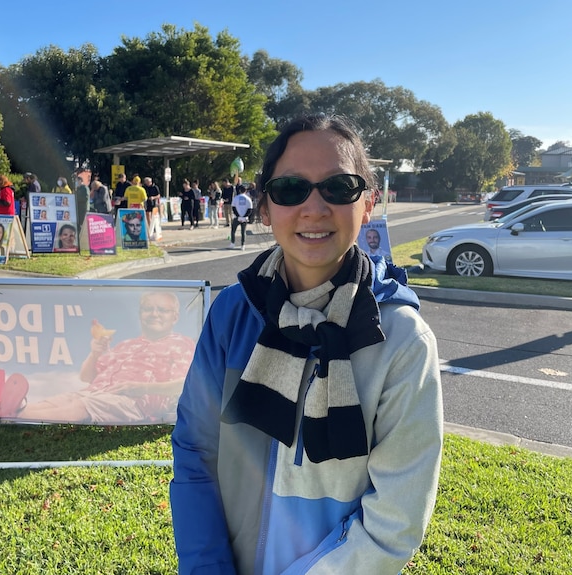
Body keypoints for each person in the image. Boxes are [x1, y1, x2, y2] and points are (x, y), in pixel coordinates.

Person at [170, 113, 443, 575]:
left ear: (369, 202)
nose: (314, 208)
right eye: (291, 189)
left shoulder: (402, 341)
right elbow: (196, 453)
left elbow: (394, 522)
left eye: (339, 188)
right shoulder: (232, 314)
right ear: (265, 207)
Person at [12, 291, 196, 424]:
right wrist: (95, 353)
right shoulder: (126, 344)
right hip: (96, 391)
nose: (154, 314)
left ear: (175, 317)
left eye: (162, 310)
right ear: (140, 314)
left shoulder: (181, 344)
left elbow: (185, 384)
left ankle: (15, 417)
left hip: (135, 402)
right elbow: (86, 377)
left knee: (81, 406)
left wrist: (141, 388)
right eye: (148, 309)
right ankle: (12, 412)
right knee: (59, 400)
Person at [229, 183, 253, 250]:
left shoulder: (236, 198)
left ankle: (232, 243)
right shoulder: (248, 199)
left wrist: (238, 216)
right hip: (245, 218)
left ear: (239, 190)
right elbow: (250, 209)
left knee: (233, 230)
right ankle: (243, 245)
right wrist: (244, 216)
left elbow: (233, 208)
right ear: (245, 191)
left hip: (237, 217)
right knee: (243, 232)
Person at [143, 176, 162, 241]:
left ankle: (155, 229)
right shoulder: (144, 187)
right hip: (147, 203)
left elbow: (159, 195)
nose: (148, 183)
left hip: (154, 203)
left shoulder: (155, 187)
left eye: (149, 182)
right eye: (147, 182)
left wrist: (153, 197)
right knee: (148, 215)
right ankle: (150, 227)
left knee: (154, 217)